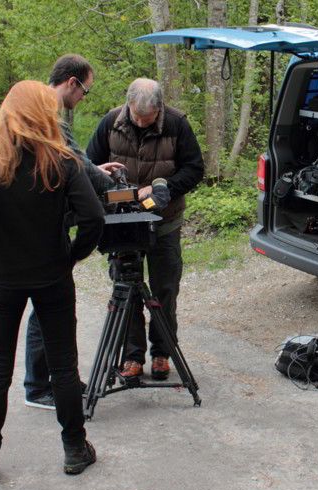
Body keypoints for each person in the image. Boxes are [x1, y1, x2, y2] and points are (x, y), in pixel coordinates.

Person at [0, 80, 105, 486]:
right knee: (63, 367)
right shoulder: (62, 160)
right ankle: (74, 449)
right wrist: (73, 255)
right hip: (51, 275)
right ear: (44, 113)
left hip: (1, 278)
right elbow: (94, 218)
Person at [22, 53, 125, 411]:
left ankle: (50, 381)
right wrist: (110, 181)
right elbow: (77, 169)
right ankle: (38, 387)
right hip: (45, 230)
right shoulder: (48, 119)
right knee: (48, 310)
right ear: (71, 82)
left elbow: (71, 164)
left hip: (36, 227)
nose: (83, 98)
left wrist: (94, 169)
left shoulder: (37, 116)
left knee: (47, 310)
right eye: (85, 91)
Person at [86, 78, 204, 381]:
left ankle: (162, 353)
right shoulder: (110, 122)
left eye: (147, 119)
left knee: (165, 290)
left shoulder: (177, 123)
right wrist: (112, 187)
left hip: (164, 222)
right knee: (126, 290)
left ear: (160, 108)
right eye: (136, 117)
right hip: (122, 223)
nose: (140, 123)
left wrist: (164, 187)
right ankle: (132, 356)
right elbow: (89, 165)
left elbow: (194, 168)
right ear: (128, 105)